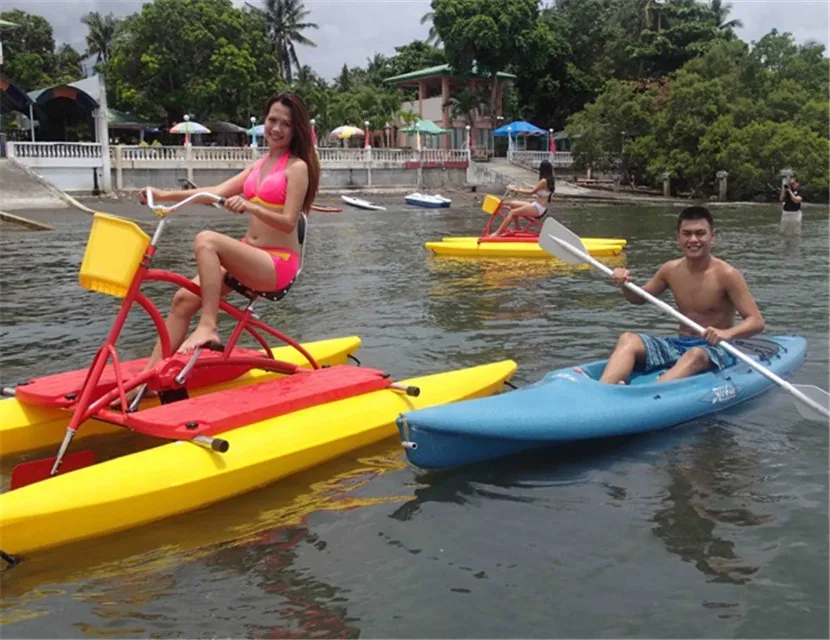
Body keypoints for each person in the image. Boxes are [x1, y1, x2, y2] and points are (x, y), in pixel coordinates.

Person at [137, 91, 319, 371]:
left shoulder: (297, 168)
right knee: (182, 300)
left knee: (206, 241)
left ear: (297, 130)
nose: (277, 129)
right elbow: (216, 192)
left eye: (286, 124)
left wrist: (250, 206)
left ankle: (208, 326)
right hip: (250, 254)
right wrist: (163, 195)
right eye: (272, 120)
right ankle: (149, 376)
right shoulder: (259, 165)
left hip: (277, 264)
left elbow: (288, 221)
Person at [596, 206, 765, 385]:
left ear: (712, 236)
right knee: (628, 339)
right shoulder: (670, 270)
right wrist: (624, 284)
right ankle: (605, 389)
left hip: (716, 349)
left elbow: (756, 321)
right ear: (678, 237)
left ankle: (653, 391)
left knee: (695, 354)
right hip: (678, 345)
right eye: (687, 234)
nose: (693, 240)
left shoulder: (727, 274)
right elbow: (638, 299)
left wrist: (727, 333)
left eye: (700, 233)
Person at [489, 159, 555, 236]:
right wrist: (520, 188)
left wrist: (516, 190)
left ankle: (496, 233)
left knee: (512, 212)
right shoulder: (548, 181)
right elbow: (538, 190)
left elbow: (532, 192)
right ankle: (518, 229)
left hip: (538, 208)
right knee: (512, 204)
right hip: (536, 205)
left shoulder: (543, 181)